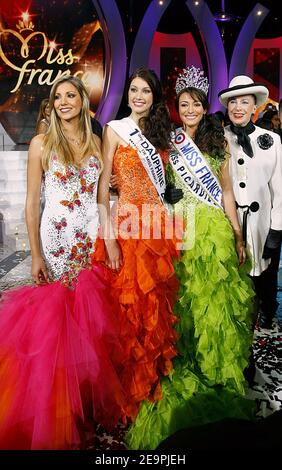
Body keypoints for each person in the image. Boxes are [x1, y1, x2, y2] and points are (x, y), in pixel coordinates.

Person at [125, 66, 255, 450]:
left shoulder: (219, 143)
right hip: (180, 232)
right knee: (184, 302)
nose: (191, 109)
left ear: (204, 106)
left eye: (197, 103)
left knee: (214, 301)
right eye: (184, 104)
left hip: (212, 231)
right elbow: (153, 186)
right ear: (177, 108)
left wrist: (236, 233)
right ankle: (186, 364)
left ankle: (215, 369)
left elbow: (227, 193)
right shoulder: (168, 142)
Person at [0, 76, 126, 449]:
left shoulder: (96, 141)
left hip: (89, 240)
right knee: (57, 322)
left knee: (89, 323)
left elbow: (104, 195)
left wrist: (109, 234)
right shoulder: (41, 143)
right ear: (52, 103)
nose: (64, 102)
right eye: (58, 97)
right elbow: (31, 201)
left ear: (83, 101)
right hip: (56, 240)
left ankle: (84, 399)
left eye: (71, 95)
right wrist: (36, 253)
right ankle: (58, 407)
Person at [93, 67, 182, 422]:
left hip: (157, 227)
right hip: (127, 226)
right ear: (127, 94)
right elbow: (103, 188)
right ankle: (129, 384)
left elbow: (170, 185)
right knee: (128, 310)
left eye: (146, 91)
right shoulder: (114, 130)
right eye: (134, 90)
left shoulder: (163, 133)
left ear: (154, 96)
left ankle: (153, 377)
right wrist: (109, 239)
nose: (139, 96)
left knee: (155, 307)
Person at [218, 76, 282, 329]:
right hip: (229, 224)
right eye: (233, 101)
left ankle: (266, 311)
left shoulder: (273, 140)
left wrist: (276, 229)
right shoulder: (218, 138)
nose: (238, 107)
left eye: (244, 102)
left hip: (263, 225)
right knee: (234, 284)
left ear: (255, 106)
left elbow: (279, 188)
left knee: (263, 281)